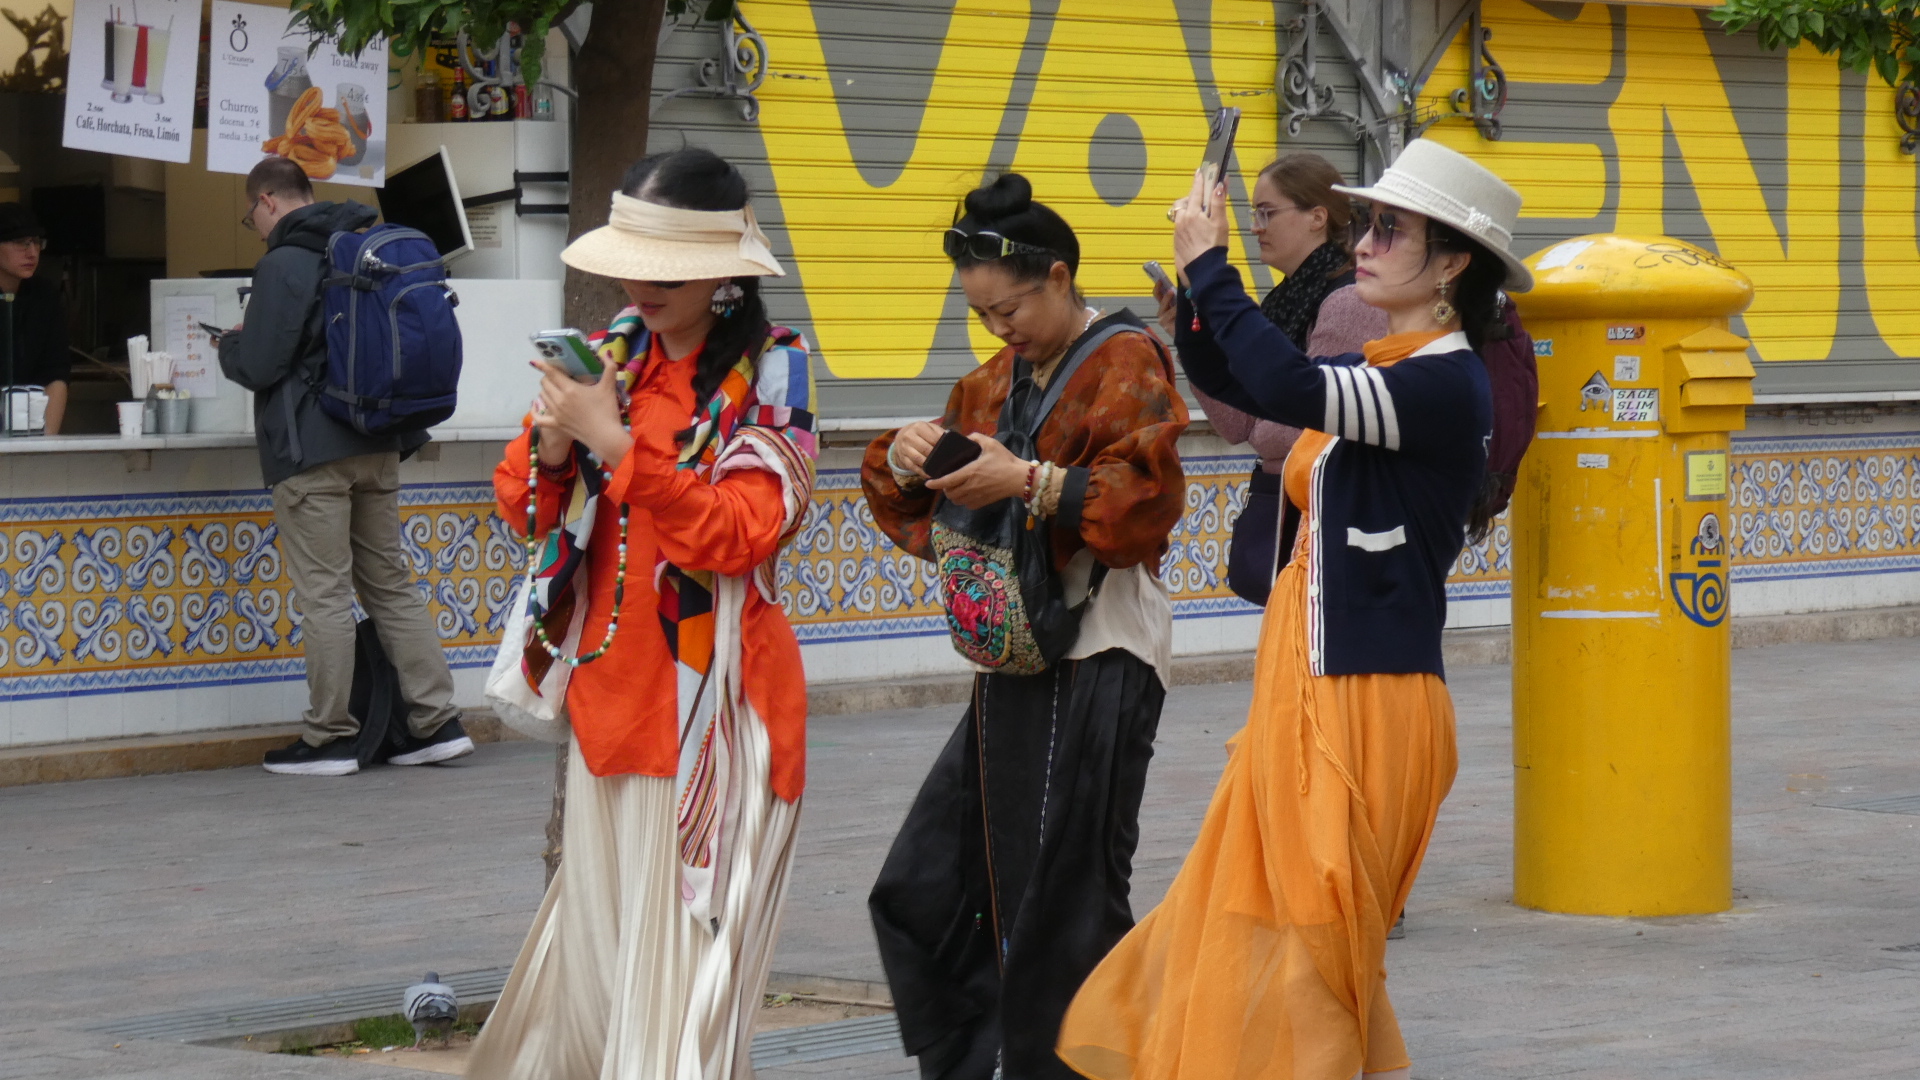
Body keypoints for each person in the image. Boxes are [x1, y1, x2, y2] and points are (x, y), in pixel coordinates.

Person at [1057, 139, 1530, 1080]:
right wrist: (1199, 309)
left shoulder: (1440, 381)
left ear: (1452, 263)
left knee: (1309, 956)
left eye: (1389, 229)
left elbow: (1289, 387)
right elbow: (1249, 396)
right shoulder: (1394, 367)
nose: (1364, 242)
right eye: (1368, 223)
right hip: (1309, 683)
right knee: (1252, 928)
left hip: (1367, 700)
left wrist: (1212, 265)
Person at [469, 147, 817, 1079]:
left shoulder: (775, 372)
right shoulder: (609, 357)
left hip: (718, 718)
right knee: (599, 1006)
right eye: (634, 264)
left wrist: (615, 444)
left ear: (727, 271)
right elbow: (527, 513)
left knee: (677, 1027)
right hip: (607, 706)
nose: (642, 285)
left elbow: (740, 533)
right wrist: (554, 447)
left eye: (668, 269)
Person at [862, 173, 1188, 1080]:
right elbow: (909, 496)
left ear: (1058, 276)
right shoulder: (993, 382)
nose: (998, 329)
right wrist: (909, 455)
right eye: (982, 315)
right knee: (932, 882)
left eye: (1008, 309)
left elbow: (1147, 502)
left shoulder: (1126, 361)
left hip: (1102, 652)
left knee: (1064, 901)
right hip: (1015, 659)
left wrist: (1031, 483)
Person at [217, 158, 469, 777]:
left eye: (251, 216)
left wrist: (230, 344)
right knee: (391, 584)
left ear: (268, 200)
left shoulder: (283, 262)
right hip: (378, 441)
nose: (255, 228)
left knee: (325, 594)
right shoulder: (359, 245)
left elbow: (260, 364)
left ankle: (331, 736)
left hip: (313, 454)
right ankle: (437, 723)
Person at [1157, 153, 1388, 606]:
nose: (1255, 227)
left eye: (1267, 213)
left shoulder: (1348, 300)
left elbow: (1299, 422)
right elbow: (1236, 424)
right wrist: (1189, 331)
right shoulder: (1285, 300)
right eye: (1253, 214)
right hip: (1289, 508)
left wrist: (1266, 411)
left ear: (1317, 217)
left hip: (1326, 515)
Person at [0, 203, 69, 434]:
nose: (32, 252)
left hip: (30, 424)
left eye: (37, 242)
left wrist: (45, 443)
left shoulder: (44, 296)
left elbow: (56, 373)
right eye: (21, 243)